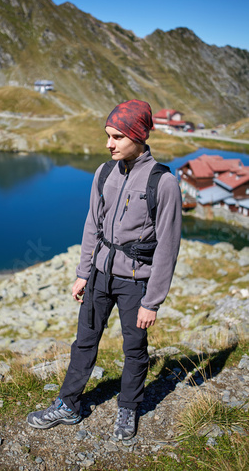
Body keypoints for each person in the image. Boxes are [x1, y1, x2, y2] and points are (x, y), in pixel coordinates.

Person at [27, 99, 182, 440]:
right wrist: (83, 272)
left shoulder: (163, 183)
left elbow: (168, 248)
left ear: (138, 136)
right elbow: (91, 226)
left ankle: (128, 408)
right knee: (84, 341)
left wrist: (151, 301)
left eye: (116, 137)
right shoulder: (104, 172)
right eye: (107, 135)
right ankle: (68, 405)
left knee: (134, 349)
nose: (108, 144)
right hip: (99, 275)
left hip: (135, 283)